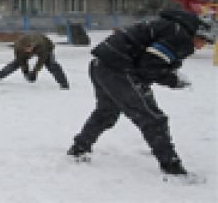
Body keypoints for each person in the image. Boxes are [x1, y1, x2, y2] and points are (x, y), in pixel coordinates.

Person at [67, 9, 214, 176]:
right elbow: (149, 67)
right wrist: (174, 80)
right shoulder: (179, 35)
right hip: (119, 69)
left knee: (106, 113)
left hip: (101, 64)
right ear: (197, 33)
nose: (202, 47)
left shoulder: (171, 27)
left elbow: (151, 58)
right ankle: (171, 166)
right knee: (152, 118)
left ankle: (79, 148)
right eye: (204, 41)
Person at [0, 33, 69, 89]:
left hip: (46, 46)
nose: (28, 51)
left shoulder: (40, 45)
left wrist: (35, 72)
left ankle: (64, 84)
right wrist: (26, 73)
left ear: (33, 46)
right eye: (26, 49)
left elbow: (41, 61)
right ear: (22, 47)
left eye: (30, 48)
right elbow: (22, 62)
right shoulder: (18, 48)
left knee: (51, 64)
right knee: (14, 65)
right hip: (28, 48)